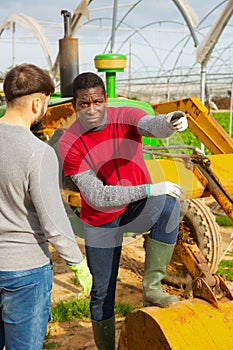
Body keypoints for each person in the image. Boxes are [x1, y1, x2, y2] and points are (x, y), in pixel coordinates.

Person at [58, 72, 188, 350]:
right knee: (102, 291)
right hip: (100, 218)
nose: (91, 109)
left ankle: (152, 288)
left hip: (133, 207)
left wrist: (171, 122)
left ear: (105, 100)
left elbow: (152, 126)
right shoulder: (69, 143)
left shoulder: (125, 115)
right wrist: (150, 189)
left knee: (169, 205)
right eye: (83, 104)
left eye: (96, 101)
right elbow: (98, 196)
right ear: (74, 106)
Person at [0, 64, 92, 350]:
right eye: (47, 103)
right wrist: (78, 264)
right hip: (24, 272)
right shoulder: (38, 152)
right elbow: (53, 220)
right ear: (37, 103)